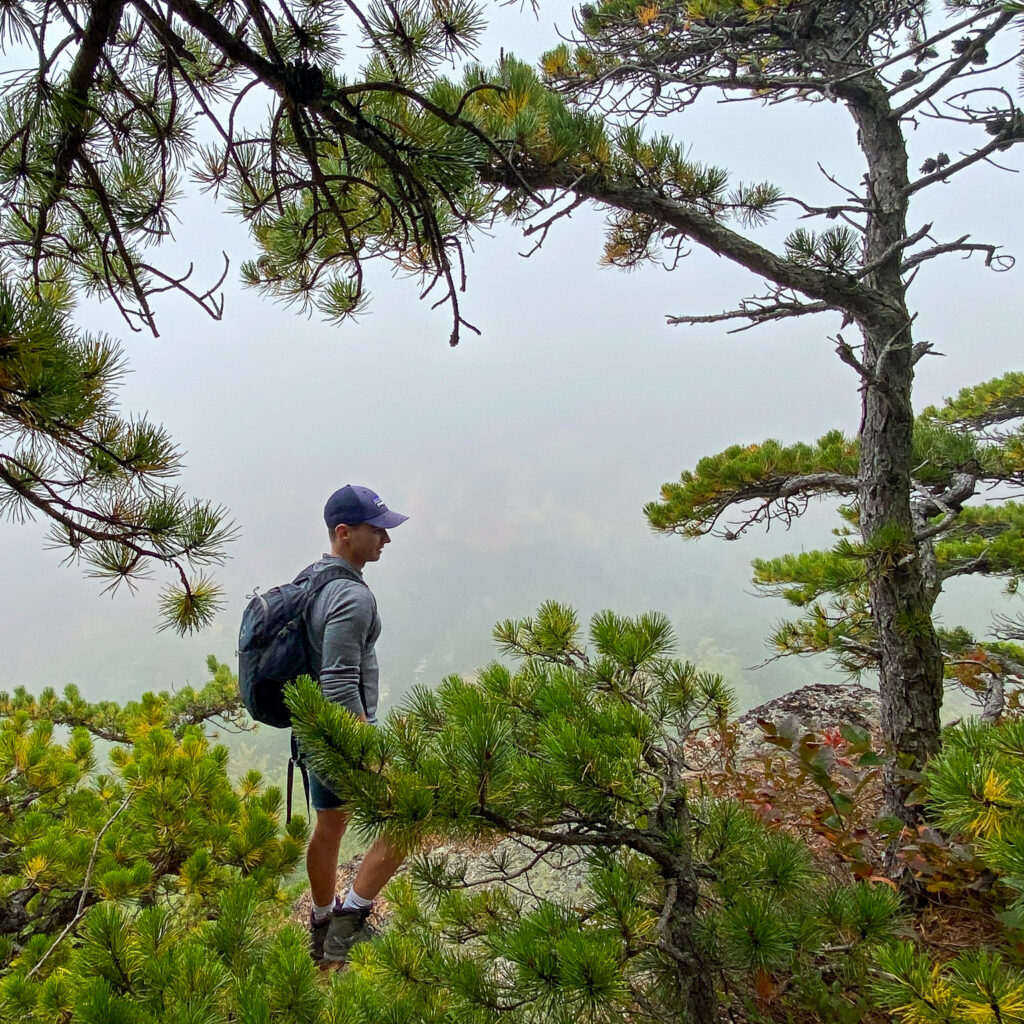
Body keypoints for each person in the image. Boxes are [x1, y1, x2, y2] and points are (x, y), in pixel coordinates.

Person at [303, 484, 408, 965]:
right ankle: (348, 924)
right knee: (411, 817)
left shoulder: (311, 581)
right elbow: (341, 683)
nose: (386, 540)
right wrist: (369, 754)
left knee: (329, 829)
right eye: (377, 531)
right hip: (342, 736)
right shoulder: (352, 597)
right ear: (344, 533)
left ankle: (322, 923)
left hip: (310, 732)